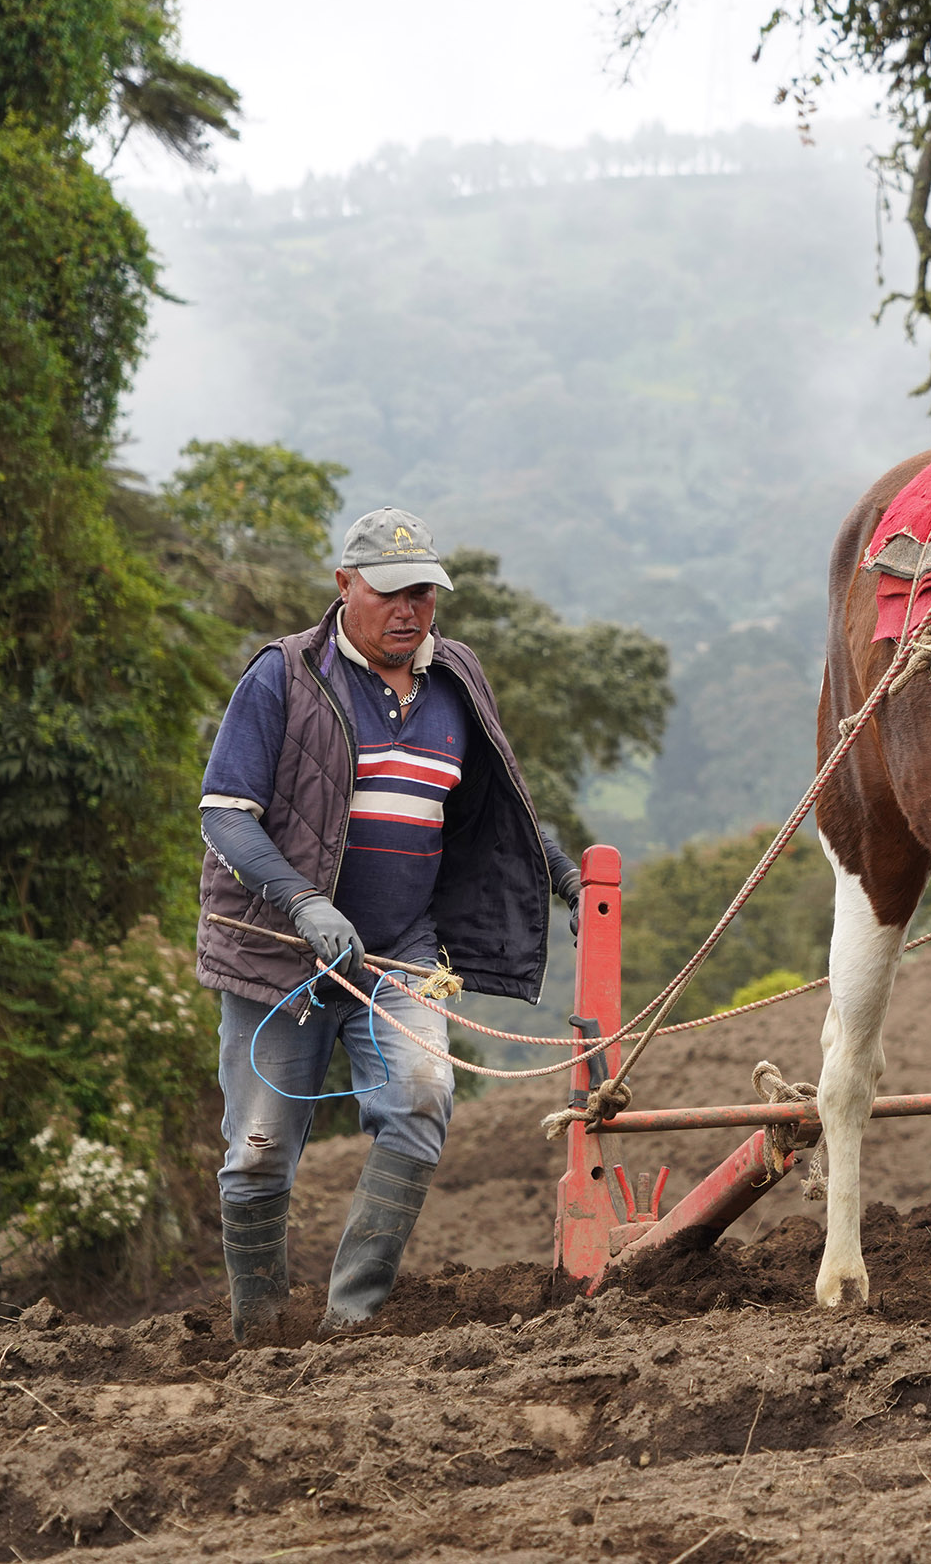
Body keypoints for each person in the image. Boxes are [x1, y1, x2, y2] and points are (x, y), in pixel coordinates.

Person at [194, 506, 582, 1339]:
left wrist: (564, 875)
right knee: (258, 1153)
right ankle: (259, 1333)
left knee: (422, 1091)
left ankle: (350, 1322)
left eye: (422, 593)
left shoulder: (457, 681)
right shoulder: (285, 675)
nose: (408, 611)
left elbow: (500, 805)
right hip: (283, 960)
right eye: (389, 593)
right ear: (344, 587)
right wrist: (303, 900)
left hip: (398, 957)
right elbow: (225, 814)